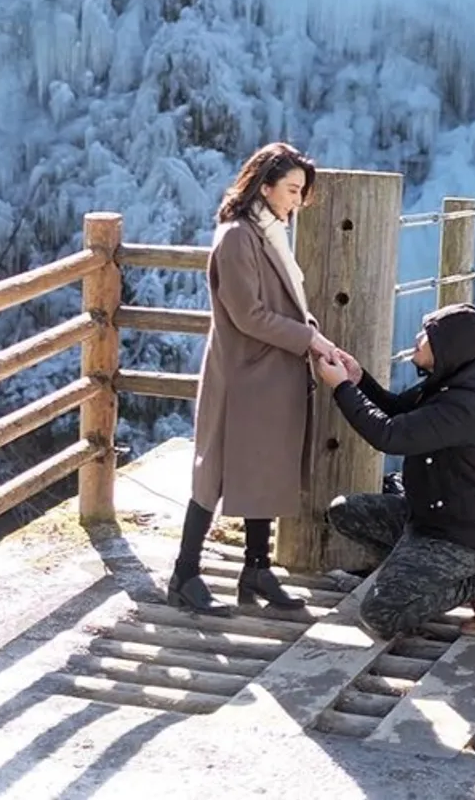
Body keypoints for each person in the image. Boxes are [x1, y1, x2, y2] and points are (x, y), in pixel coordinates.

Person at [169, 142, 339, 617]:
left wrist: (310, 336)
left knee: (266, 466)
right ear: (263, 186)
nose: (297, 201)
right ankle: (184, 574)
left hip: (269, 372)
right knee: (213, 471)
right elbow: (248, 315)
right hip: (242, 375)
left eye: (301, 192)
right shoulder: (237, 238)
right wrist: (307, 340)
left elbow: (285, 308)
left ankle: (257, 570)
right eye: (290, 190)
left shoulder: (268, 234)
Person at [315, 302, 475, 640]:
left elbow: (389, 435)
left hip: (458, 537)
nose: (419, 338)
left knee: (379, 615)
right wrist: (358, 379)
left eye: (428, 336)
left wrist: (342, 388)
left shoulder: (465, 406)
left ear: (448, 349)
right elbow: (397, 411)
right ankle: (408, 577)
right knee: (344, 511)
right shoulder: (451, 382)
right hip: (425, 517)